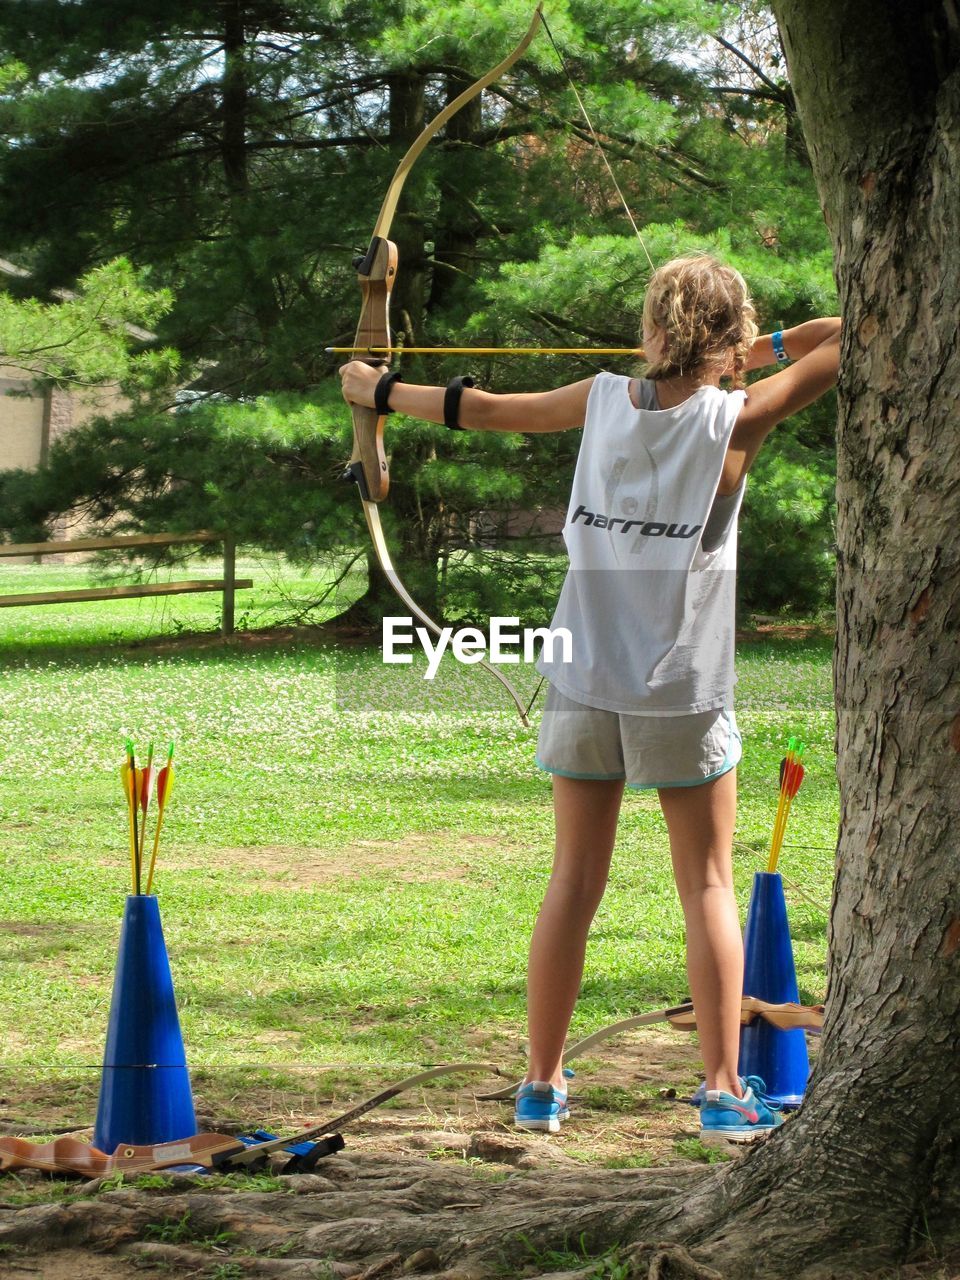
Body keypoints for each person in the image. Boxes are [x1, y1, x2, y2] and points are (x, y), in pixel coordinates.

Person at [340, 253, 841, 1145]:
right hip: (678, 686)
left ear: (651, 331)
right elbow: (848, 334)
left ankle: (540, 1085)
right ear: (728, 342)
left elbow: (484, 412)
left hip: (581, 677)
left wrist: (379, 392)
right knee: (709, 885)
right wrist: (747, 355)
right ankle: (724, 1094)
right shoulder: (742, 415)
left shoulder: (602, 395)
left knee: (573, 881)